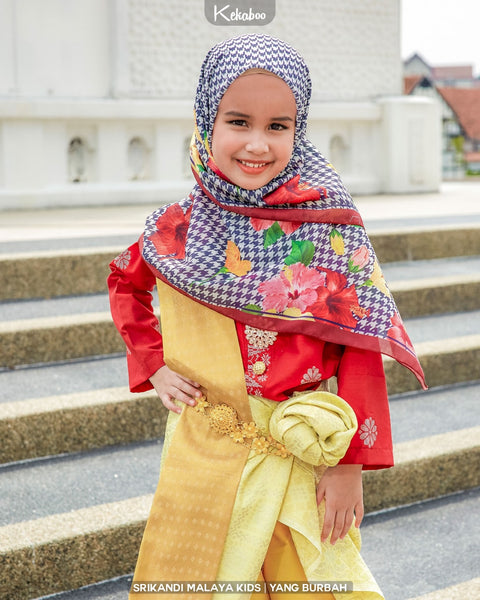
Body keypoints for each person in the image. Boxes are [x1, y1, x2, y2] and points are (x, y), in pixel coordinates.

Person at [108, 34, 426, 599]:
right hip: (207, 447)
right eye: (238, 121)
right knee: (202, 575)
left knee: (312, 579)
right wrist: (152, 364)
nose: (257, 144)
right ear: (207, 122)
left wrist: (349, 463)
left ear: (298, 130)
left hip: (303, 449)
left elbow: (358, 344)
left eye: (278, 126)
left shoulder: (328, 227)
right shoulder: (179, 227)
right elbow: (125, 282)